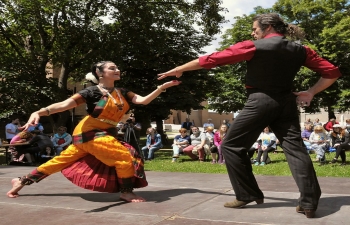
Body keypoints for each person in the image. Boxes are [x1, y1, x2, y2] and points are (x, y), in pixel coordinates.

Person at [158, 13, 341, 218]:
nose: (252, 32)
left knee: (230, 145)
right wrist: (311, 92)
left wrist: (179, 69)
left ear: (268, 27)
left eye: (255, 29)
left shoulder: (254, 46)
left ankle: (247, 194)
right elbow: (332, 72)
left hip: (260, 101)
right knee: (295, 149)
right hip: (286, 102)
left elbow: (213, 59)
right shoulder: (301, 50)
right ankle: (309, 203)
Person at [7, 61, 180, 203]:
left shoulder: (123, 92)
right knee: (124, 156)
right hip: (89, 132)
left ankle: (21, 181)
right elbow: (63, 105)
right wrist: (38, 112)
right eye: (112, 68)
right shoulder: (90, 92)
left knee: (59, 161)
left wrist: (161, 88)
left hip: (100, 134)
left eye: (117, 67)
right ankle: (126, 192)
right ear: (100, 73)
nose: (117, 70)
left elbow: (143, 101)